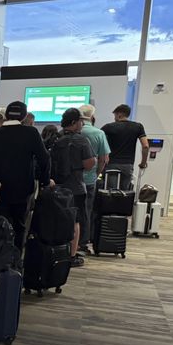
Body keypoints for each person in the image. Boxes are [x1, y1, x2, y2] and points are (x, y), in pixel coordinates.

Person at [0, 101, 51, 250]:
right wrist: (44, 181)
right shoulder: (31, 133)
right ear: (24, 116)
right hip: (23, 188)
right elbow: (44, 158)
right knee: (20, 225)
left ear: (6, 115)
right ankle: (15, 260)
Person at [51, 108, 96, 267]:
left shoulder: (55, 138)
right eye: (80, 121)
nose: (82, 124)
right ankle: (71, 255)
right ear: (74, 123)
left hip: (55, 187)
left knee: (56, 219)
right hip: (76, 187)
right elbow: (89, 164)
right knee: (75, 221)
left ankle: (55, 251)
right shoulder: (82, 140)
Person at [78, 105, 110, 255]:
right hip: (89, 179)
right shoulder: (99, 133)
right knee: (86, 211)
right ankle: (83, 243)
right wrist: (96, 174)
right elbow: (104, 159)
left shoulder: (74, 132)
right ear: (92, 116)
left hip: (71, 180)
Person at [101, 104, 149, 191]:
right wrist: (143, 163)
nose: (114, 118)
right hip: (128, 165)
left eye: (115, 115)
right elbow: (145, 146)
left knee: (110, 194)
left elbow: (99, 143)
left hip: (111, 164)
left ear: (119, 114)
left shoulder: (108, 127)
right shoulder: (138, 127)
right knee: (124, 194)